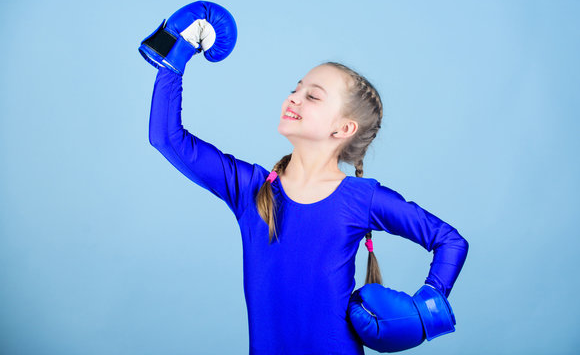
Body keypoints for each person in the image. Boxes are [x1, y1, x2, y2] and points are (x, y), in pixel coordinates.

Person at [148, 60, 468, 354]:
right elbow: (166, 138)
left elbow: (450, 240)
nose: (294, 98)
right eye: (294, 89)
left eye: (312, 96)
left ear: (343, 129)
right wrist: (173, 56)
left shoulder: (361, 198)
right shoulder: (250, 189)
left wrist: (428, 311)